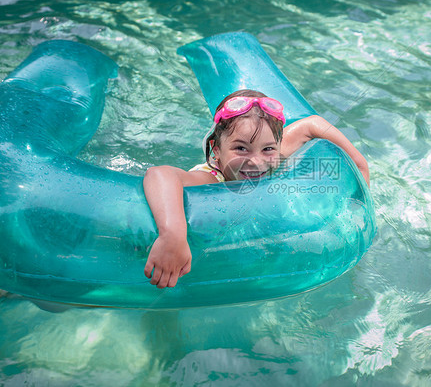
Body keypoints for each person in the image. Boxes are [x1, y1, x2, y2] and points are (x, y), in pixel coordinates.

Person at [143, 89, 370, 288]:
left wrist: (359, 165)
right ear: (216, 150)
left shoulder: (274, 153)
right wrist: (172, 234)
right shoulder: (211, 180)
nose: (256, 162)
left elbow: (311, 125)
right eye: (241, 148)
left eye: (268, 149)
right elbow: (160, 174)